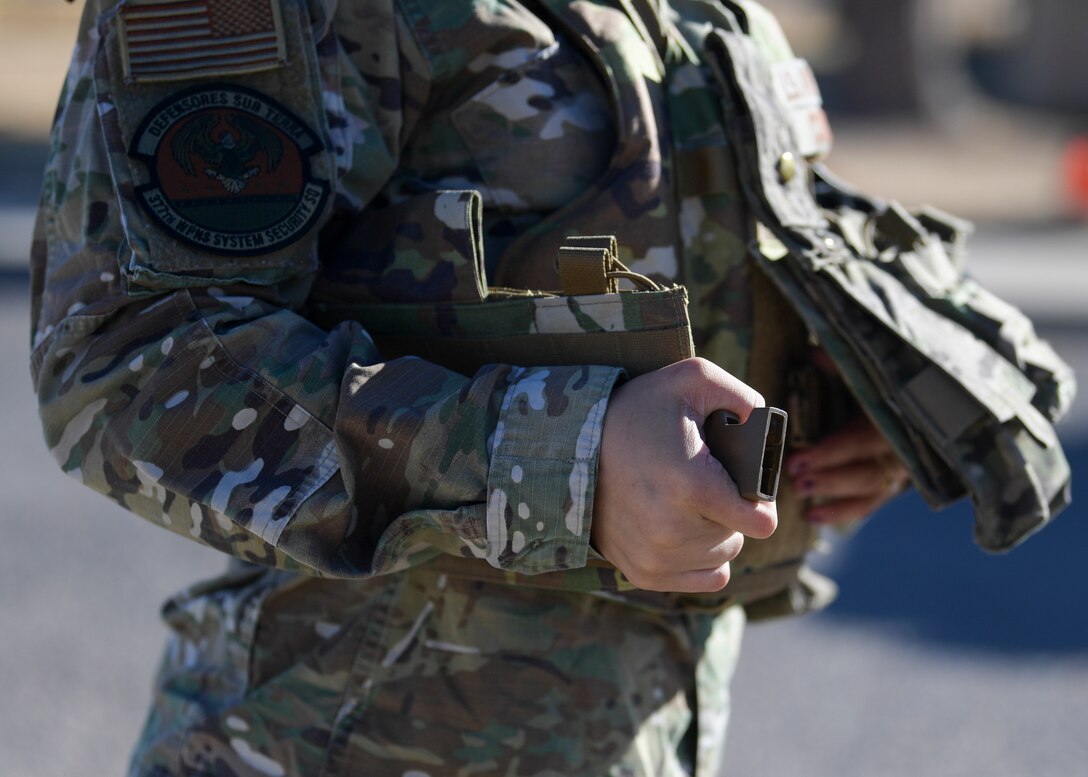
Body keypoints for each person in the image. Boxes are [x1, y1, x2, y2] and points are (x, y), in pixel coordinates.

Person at [30, 0, 907, 774]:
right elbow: (130, 359)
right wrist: (564, 465)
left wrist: (865, 392)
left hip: (642, 730)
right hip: (334, 738)